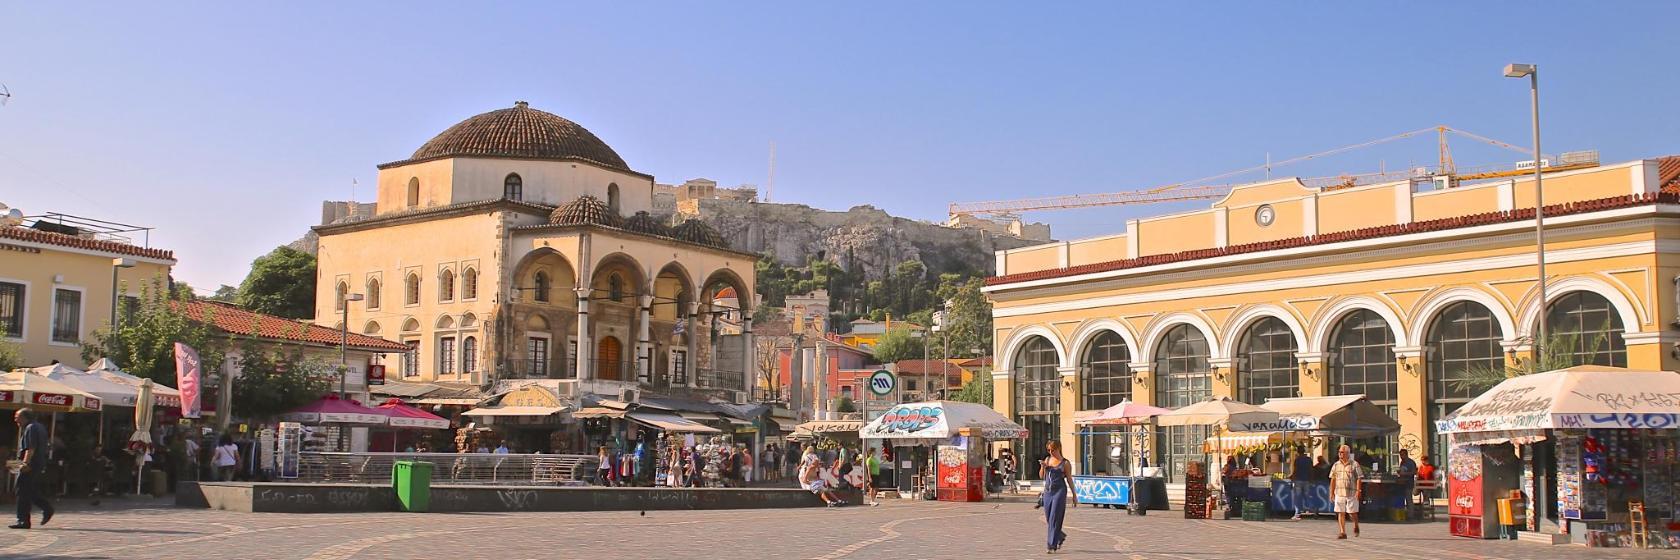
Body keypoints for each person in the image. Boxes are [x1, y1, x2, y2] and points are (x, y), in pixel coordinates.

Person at [11, 409, 54, 529]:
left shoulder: (31, 427)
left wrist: (25, 463)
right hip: (37, 463)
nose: (15, 420)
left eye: (17, 417)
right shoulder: (39, 427)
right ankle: (46, 509)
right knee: (29, 490)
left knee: (21, 489)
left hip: (30, 464)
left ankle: (23, 520)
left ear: (24, 417)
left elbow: (31, 447)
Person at [1039, 441, 1075, 554]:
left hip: (1059, 491)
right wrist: (1043, 467)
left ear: (1059, 448)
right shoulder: (1047, 460)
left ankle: (1051, 545)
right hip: (1048, 491)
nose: (1051, 452)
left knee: (1055, 517)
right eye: (1049, 450)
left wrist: (1074, 495)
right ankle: (1060, 536)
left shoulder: (1065, 463)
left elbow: (1069, 479)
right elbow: (1041, 476)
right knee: (1049, 518)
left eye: (1052, 450)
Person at [1329, 444, 1364, 539]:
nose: (1340, 454)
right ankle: (1342, 532)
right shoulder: (1336, 465)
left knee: (1352, 513)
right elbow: (1333, 479)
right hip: (1339, 492)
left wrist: (1358, 490)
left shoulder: (1354, 464)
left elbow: (1359, 478)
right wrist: (1331, 493)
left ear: (1347, 453)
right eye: (1339, 452)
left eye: (1342, 452)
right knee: (1340, 512)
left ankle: (1356, 525)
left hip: (1351, 492)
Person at [1288, 446, 1315, 520]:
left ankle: (1297, 513)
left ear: (1298, 452)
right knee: (1307, 496)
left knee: (1297, 497)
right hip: (1307, 480)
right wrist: (1311, 479)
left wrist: (1292, 477)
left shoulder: (1297, 460)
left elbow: (1295, 470)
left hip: (1298, 480)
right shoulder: (1309, 459)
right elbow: (1311, 470)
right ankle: (1312, 510)